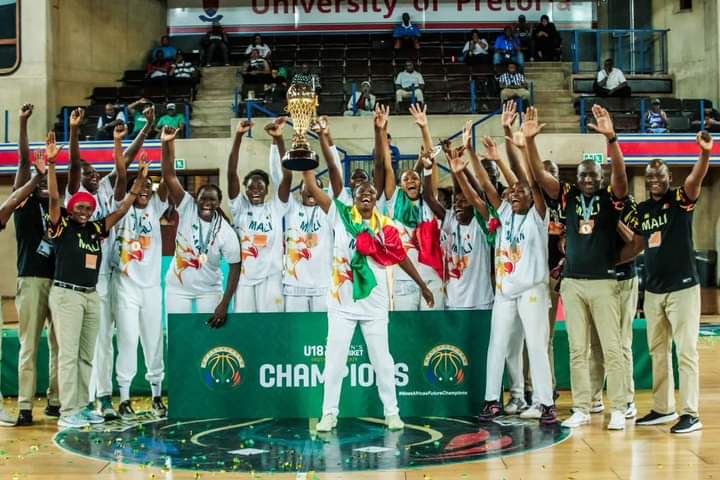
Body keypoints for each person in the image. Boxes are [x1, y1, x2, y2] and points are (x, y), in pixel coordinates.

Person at [300, 163, 434, 433]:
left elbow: (401, 257)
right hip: (342, 304)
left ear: (375, 200)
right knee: (334, 362)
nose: (367, 195)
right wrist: (305, 163)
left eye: (372, 193)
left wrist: (422, 285)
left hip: (374, 305)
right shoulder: (340, 215)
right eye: (362, 192)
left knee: (382, 361)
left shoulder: (385, 225)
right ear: (354, 197)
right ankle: (329, 414)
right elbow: (312, 186)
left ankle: (392, 413)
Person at [523, 105, 630, 431]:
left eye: (592, 175)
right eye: (582, 174)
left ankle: (619, 408)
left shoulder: (611, 198)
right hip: (572, 282)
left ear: (600, 177)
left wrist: (612, 140)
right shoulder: (567, 196)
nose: (587, 179)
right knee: (577, 350)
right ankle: (582, 407)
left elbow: (622, 178)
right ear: (576, 177)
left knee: (612, 349)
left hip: (604, 283)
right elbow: (540, 177)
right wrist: (530, 142)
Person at [46, 130, 149, 429]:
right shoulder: (61, 225)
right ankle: (68, 411)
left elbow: (124, 206)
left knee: (86, 355)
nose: (84, 211)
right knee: (69, 355)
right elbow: (54, 197)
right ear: (71, 208)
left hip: (91, 294)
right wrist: (51, 165)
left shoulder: (95, 229)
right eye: (79, 207)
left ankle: (82, 406)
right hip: (67, 295)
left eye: (88, 208)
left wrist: (141, 179)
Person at [457, 123, 557, 425]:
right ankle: (492, 401)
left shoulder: (538, 216)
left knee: (536, 346)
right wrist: (470, 154)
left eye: (519, 192)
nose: (513, 195)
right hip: (505, 292)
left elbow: (533, 183)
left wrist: (519, 149)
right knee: (497, 345)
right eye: (511, 192)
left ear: (531, 197)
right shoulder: (504, 214)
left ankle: (545, 403)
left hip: (532, 290)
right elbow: (485, 187)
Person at [622, 132, 713, 434]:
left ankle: (691, 413)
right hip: (653, 290)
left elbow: (695, 180)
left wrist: (704, 154)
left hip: (683, 287)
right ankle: (663, 408)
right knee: (657, 351)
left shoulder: (680, 200)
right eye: (649, 176)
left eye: (659, 175)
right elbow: (636, 245)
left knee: (686, 351)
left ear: (668, 178)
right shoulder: (643, 210)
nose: (654, 180)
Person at [67, 107, 154, 420]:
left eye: (94, 173)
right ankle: (98, 398)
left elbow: (124, 164)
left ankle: (108, 396)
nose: (92, 176)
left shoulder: (104, 188)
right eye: (87, 173)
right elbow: (74, 164)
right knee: (99, 341)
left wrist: (143, 130)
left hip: (115, 273)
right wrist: (74, 130)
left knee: (115, 338)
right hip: (90, 277)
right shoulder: (75, 193)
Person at [110, 141, 169, 419]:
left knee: (154, 342)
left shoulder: (155, 207)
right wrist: (138, 175)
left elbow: (168, 177)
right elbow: (121, 177)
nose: (145, 190)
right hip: (126, 286)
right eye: (140, 186)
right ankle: (124, 398)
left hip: (152, 288)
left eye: (149, 187)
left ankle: (157, 396)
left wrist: (167, 145)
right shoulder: (121, 206)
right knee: (128, 341)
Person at [12, 104, 60, 427]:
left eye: (45, 181)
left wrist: (50, 170)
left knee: (59, 345)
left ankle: (55, 402)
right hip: (31, 279)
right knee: (28, 346)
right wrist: (23, 123)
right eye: (37, 180)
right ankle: (25, 406)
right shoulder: (22, 204)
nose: (41, 184)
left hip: (58, 281)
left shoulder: (54, 206)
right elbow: (22, 162)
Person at [161, 126, 241, 321]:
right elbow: (169, 176)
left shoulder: (225, 231)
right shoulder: (187, 206)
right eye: (203, 198)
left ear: (218, 203)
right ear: (196, 199)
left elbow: (235, 267)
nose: (207, 203)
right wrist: (166, 143)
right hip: (177, 288)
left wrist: (225, 303)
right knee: (179, 334)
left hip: (209, 290)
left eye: (212, 200)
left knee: (209, 335)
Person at [275, 116, 337, 313]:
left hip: (323, 284)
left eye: (315, 187)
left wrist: (326, 136)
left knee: (322, 329)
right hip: (294, 285)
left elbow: (335, 172)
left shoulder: (329, 210)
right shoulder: (290, 208)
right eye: (306, 187)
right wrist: (277, 141)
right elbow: (280, 177)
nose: (310, 190)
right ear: (299, 191)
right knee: (295, 329)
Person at [228, 118, 291, 313]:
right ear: (245, 190)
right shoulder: (239, 208)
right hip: (244, 278)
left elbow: (287, 176)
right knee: (246, 326)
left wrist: (279, 139)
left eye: (260, 187)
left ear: (267, 190)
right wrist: (238, 136)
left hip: (272, 277)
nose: (255, 190)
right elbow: (231, 173)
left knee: (271, 325)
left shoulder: (276, 207)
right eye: (251, 187)